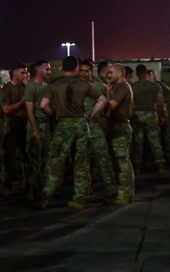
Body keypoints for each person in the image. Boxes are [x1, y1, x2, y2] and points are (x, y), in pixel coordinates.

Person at [38, 56, 107, 209]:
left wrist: (52, 115)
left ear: (62, 68)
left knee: (55, 162)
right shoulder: (84, 84)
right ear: (76, 69)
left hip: (63, 125)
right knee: (81, 163)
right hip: (81, 124)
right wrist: (91, 116)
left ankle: (45, 197)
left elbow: (43, 105)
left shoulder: (53, 85)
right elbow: (102, 100)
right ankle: (79, 199)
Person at [83, 60, 117, 200]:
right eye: (81, 70)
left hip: (96, 125)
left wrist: (105, 117)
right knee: (83, 159)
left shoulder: (99, 86)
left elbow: (108, 105)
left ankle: (111, 188)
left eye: (87, 71)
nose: (84, 74)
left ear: (91, 72)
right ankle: (86, 188)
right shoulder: (75, 87)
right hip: (82, 126)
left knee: (103, 158)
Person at [0, 62, 30, 198]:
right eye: (22, 72)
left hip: (25, 125)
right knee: (9, 157)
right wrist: (23, 101)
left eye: (26, 72)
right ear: (14, 73)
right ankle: (7, 185)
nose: (25, 75)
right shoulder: (6, 89)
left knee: (27, 157)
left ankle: (28, 187)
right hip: (11, 126)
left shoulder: (25, 87)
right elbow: (6, 110)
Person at [105, 63, 134, 204]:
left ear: (120, 74)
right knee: (120, 162)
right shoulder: (118, 87)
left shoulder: (122, 87)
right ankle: (125, 193)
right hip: (117, 128)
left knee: (122, 163)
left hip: (120, 128)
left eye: (111, 72)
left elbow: (111, 105)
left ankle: (124, 195)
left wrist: (106, 93)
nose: (108, 75)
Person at [23, 60, 51, 205]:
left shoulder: (46, 87)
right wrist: (35, 131)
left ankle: (40, 190)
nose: (49, 72)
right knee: (33, 159)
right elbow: (29, 112)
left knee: (45, 159)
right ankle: (30, 190)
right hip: (36, 125)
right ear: (39, 70)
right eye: (47, 69)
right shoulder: (31, 88)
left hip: (45, 125)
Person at [131, 64, 167, 174]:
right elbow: (160, 103)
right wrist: (161, 116)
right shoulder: (155, 86)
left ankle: (137, 168)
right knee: (155, 142)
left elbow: (130, 104)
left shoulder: (132, 87)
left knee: (138, 142)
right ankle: (161, 166)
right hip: (151, 114)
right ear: (146, 73)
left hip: (137, 115)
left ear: (136, 74)